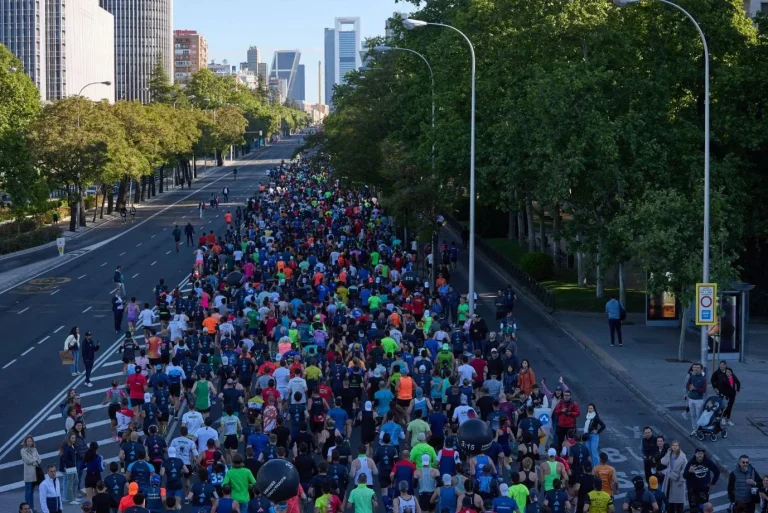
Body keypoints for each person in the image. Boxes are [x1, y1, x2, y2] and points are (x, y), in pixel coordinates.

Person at [660, 442, 687, 513]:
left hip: (678, 481)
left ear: (678, 447)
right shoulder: (670, 454)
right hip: (669, 480)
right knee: (669, 501)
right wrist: (667, 454)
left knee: (678, 503)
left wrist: (678, 478)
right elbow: (663, 462)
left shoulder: (683, 457)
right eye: (673, 445)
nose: (674, 447)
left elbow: (684, 470)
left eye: (676, 445)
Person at [684, 364, 707, 435]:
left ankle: (698, 429)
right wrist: (689, 388)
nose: (696, 369)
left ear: (701, 369)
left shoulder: (703, 379)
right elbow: (687, 386)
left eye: (698, 368)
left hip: (698, 400)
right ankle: (694, 429)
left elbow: (704, 390)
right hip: (691, 399)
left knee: (698, 415)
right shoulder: (692, 376)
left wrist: (695, 389)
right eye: (695, 368)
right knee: (692, 415)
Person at [21, 436, 41, 510]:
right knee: (28, 492)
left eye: (30, 441)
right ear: (25, 442)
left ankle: (32, 507)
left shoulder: (34, 449)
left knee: (32, 492)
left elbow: (39, 460)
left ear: (32, 442)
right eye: (28, 441)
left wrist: (34, 460)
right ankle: (27, 508)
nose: (29, 442)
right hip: (28, 474)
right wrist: (34, 460)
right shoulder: (23, 450)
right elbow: (27, 461)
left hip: (35, 474)